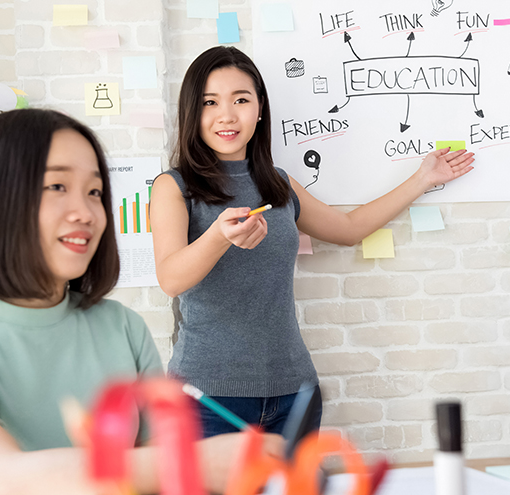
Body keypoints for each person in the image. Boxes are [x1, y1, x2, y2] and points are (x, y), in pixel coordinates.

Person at [0, 109, 281, 495]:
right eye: (57, 186)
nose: (86, 213)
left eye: (94, 192)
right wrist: (192, 461)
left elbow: (159, 473)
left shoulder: (122, 327)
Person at [149, 46, 475, 438]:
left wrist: (423, 179)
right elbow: (171, 278)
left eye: (241, 99)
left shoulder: (278, 182)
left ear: (260, 108)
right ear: (192, 111)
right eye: (210, 102)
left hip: (293, 393)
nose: (227, 115)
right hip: (206, 398)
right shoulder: (174, 186)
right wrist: (219, 236)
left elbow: (349, 228)